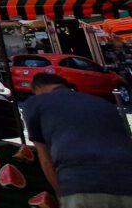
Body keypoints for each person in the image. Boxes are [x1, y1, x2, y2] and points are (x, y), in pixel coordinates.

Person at [25, 73, 132, 207]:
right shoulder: (103, 103)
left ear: (38, 88)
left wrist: (61, 195)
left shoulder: (35, 103)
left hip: (80, 183)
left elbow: (45, 158)